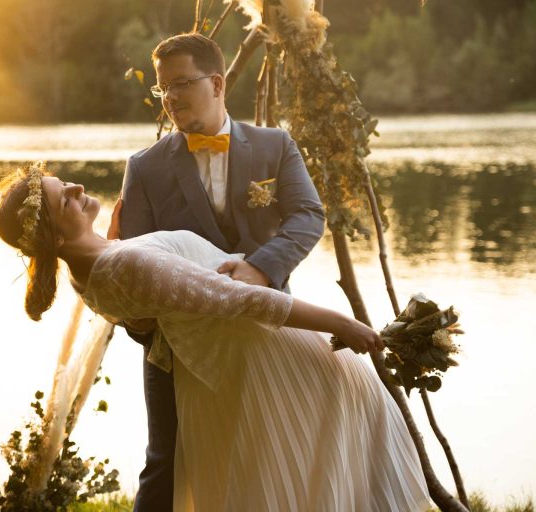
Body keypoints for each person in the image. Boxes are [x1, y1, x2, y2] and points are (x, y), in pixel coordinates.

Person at [0, 162, 431, 511]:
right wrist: (342, 323)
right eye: (62, 199)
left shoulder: (86, 269)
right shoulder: (120, 265)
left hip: (223, 371)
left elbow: (147, 310)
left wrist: (113, 240)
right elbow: (243, 300)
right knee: (316, 455)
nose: (74, 188)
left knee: (305, 467)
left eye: (63, 183)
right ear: (54, 235)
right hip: (260, 353)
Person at [108, 33, 328, 511]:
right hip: (177, 348)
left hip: (266, 332)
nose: (170, 98)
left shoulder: (276, 145)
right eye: (163, 89)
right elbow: (133, 260)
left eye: (181, 84)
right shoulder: (144, 168)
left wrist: (262, 268)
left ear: (217, 83)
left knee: (270, 455)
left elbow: (309, 216)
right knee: (165, 462)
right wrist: (147, 328)